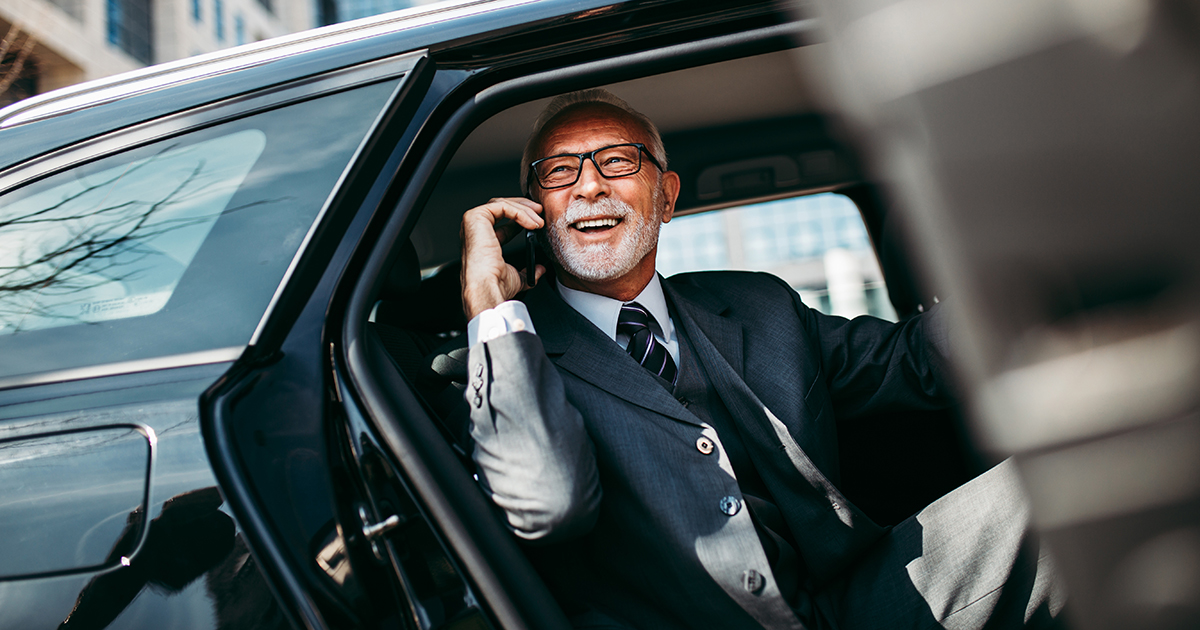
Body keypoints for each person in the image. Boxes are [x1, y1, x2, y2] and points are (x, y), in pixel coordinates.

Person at [457, 89, 1064, 629]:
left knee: (1079, 475)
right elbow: (547, 503)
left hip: (852, 603)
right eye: (560, 171)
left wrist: (1050, 261)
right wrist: (490, 308)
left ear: (665, 197)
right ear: (536, 209)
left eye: (617, 161)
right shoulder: (512, 352)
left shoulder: (755, 303)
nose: (589, 185)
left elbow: (913, 359)